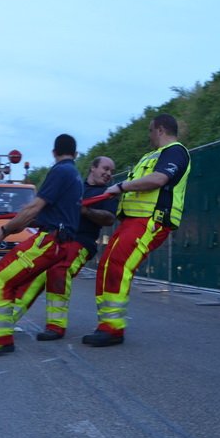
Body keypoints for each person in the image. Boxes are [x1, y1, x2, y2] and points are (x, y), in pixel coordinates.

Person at [0, 134, 84, 355]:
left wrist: (4, 229)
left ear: (54, 152)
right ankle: (0, 333)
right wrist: (18, 226)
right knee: (12, 282)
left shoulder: (60, 171)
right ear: (75, 154)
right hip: (61, 241)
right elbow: (48, 213)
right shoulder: (75, 175)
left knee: (0, 277)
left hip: (50, 240)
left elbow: (33, 208)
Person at [83, 113, 191, 348]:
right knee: (107, 265)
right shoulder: (151, 155)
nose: (149, 135)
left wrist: (121, 186)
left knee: (118, 265)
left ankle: (112, 329)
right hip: (132, 221)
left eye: (151, 130)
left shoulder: (174, 151)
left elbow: (159, 179)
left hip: (150, 220)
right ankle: (106, 325)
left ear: (160, 130)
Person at [11, 156, 119, 340]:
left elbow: (109, 218)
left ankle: (56, 326)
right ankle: (6, 318)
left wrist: (85, 211)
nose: (108, 174)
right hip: (58, 238)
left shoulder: (107, 193)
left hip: (81, 242)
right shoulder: (75, 187)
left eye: (111, 171)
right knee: (34, 272)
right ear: (92, 168)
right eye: (105, 168)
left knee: (58, 271)